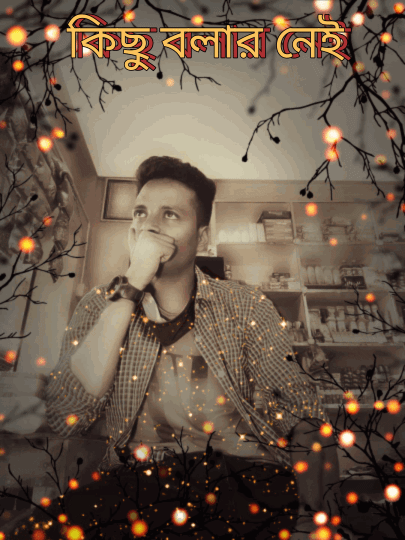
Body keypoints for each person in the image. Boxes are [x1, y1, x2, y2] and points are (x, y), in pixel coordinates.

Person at [12, 156, 352, 540]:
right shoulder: (98, 305)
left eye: (170, 215)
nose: (149, 226)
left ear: (202, 238)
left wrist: (313, 518)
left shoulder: (246, 307)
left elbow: (302, 412)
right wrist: (132, 284)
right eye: (140, 213)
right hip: (138, 483)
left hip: (240, 479)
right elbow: (65, 416)